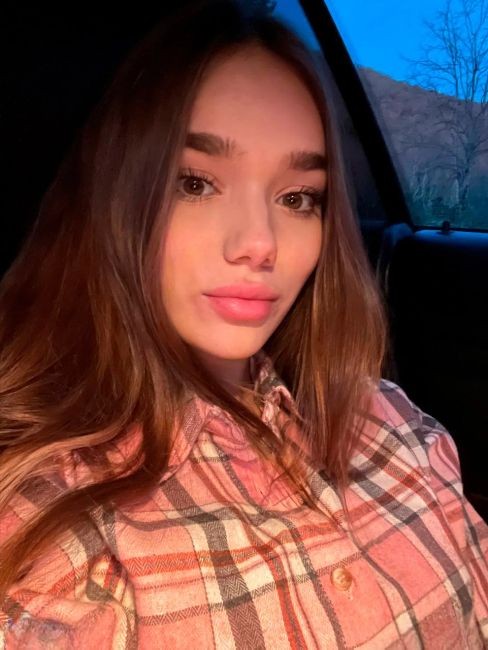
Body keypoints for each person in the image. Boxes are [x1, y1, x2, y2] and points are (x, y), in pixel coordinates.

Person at [0, 1, 486, 647]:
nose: (260, 243)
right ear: (113, 200)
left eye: (297, 197)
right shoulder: (52, 529)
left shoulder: (392, 420)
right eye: (195, 184)